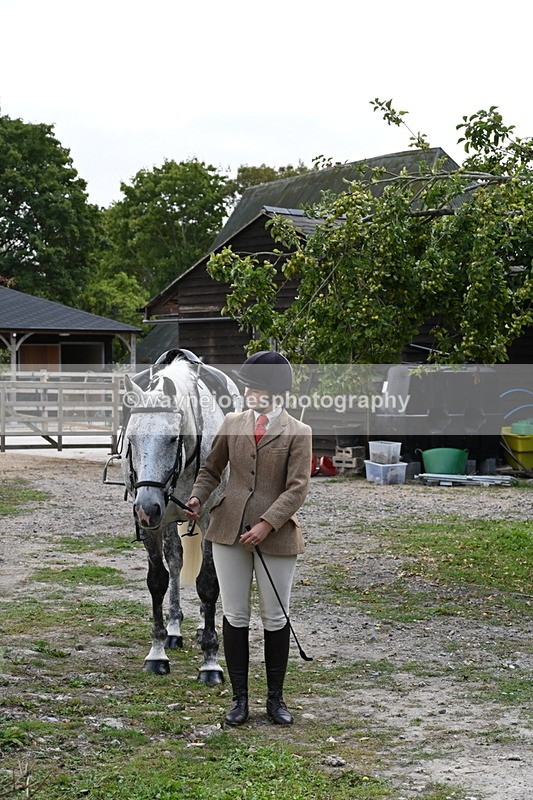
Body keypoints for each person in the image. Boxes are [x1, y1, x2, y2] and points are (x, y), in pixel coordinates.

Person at [185, 351, 312, 726]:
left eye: (253, 387)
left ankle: (276, 700)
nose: (247, 391)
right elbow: (211, 468)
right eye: (247, 386)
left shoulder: (298, 433)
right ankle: (240, 699)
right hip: (227, 529)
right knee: (235, 614)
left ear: (273, 393)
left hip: (276, 536)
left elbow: (297, 489)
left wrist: (267, 524)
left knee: (275, 616)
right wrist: (197, 496)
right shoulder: (232, 422)